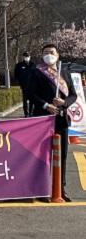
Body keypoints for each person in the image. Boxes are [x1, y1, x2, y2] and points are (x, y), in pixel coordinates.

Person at [30, 44, 77, 202]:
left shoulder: (64, 72)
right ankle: (42, 189)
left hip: (61, 118)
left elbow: (73, 95)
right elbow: (31, 94)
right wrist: (46, 105)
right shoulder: (37, 72)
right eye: (45, 53)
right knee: (43, 155)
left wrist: (63, 102)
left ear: (57, 55)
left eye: (51, 52)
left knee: (62, 155)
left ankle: (60, 189)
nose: (48, 55)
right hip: (42, 118)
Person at [14, 51, 36, 117]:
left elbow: (36, 74)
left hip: (32, 86)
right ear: (23, 57)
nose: (27, 57)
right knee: (25, 100)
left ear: (30, 56)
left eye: (28, 56)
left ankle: (31, 113)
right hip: (24, 86)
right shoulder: (19, 65)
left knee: (32, 100)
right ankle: (26, 113)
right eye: (25, 56)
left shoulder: (33, 65)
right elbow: (16, 75)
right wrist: (20, 82)